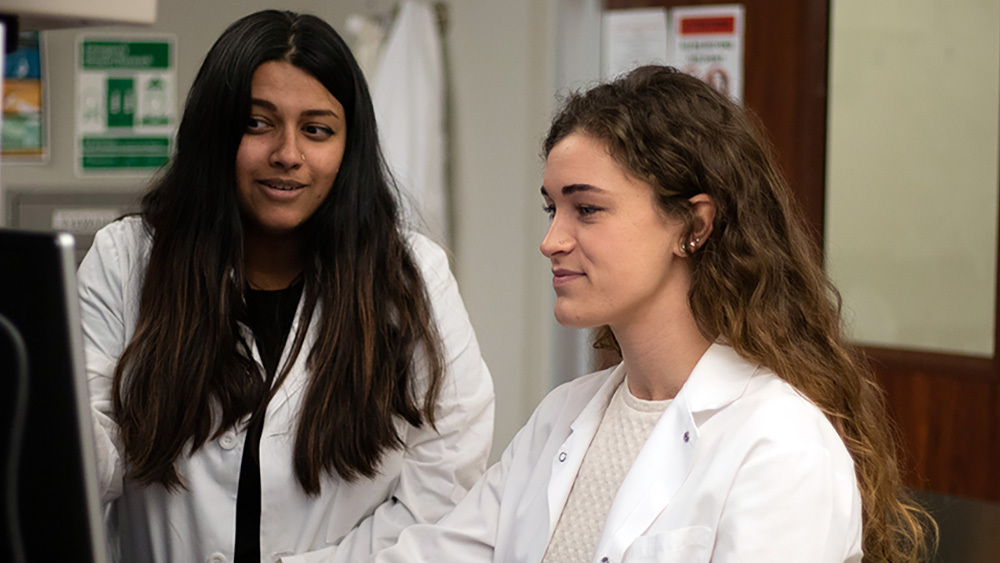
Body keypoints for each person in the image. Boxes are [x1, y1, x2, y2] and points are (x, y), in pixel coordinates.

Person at [366, 66, 935, 562]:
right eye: (552, 208)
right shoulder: (561, 418)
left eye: (586, 209)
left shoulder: (780, 445)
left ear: (693, 226)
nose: (551, 240)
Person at [77, 10, 494, 563]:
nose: (288, 154)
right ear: (214, 132)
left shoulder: (411, 277)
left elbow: (446, 490)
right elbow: (79, 458)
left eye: (316, 130)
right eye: (258, 123)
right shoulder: (127, 261)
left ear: (349, 148)